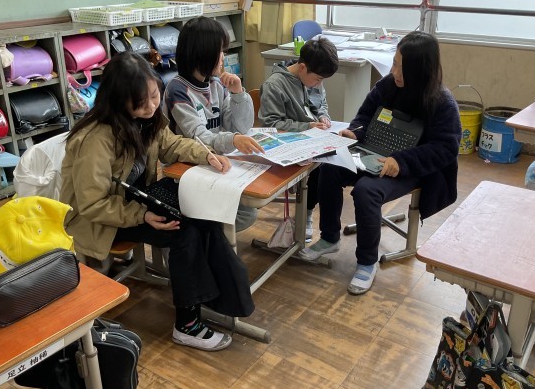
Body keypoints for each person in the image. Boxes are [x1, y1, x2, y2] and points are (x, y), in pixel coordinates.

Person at [60, 51, 254, 351]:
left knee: (203, 215)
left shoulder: (145, 121)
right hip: (101, 219)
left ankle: (220, 300)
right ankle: (187, 325)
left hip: (138, 199)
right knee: (185, 232)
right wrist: (142, 215)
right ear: (118, 99)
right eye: (142, 101)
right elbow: (92, 204)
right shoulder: (95, 139)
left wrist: (206, 155)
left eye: (154, 95)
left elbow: (171, 144)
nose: (152, 106)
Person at [298, 31, 461, 295]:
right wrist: (355, 133)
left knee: (367, 190)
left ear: (420, 70)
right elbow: (364, 116)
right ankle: (329, 237)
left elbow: (445, 148)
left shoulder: (442, 102)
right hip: (373, 151)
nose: (394, 71)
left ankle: (366, 262)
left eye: (401, 67)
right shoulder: (388, 85)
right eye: (394, 63)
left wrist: (402, 161)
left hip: (411, 167)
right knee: (329, 168)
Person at [164, 16, 264, 233]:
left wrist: (238, 93)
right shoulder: (177, 90)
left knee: (248, 209)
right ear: (204, 52)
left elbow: (241, 127)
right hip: (188, 169)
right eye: (220, 51)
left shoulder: (216, 84)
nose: (223, 57)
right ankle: (203, 237)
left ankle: (206, 237)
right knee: (242, 212)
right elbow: (198, 138)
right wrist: (233, 139)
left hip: (216, 162)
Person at [258, 38, 339, 241]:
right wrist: (307, 127)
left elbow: (322, 103)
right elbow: (271, 125)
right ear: (302, 67)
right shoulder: (275, 85)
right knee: (322, 166)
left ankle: (307, 212)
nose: (319, 84)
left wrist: (323, 116)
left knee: (331, 163)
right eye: (318, 79)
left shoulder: (313, 77)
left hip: (311, 139)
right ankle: (306, 214)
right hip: (286, 144)